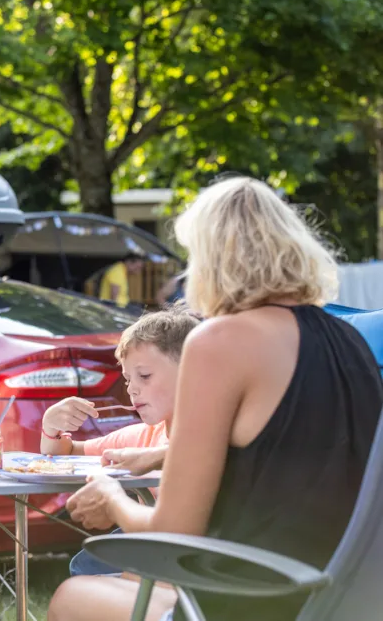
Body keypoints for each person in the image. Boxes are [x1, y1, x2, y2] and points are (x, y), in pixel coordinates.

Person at [50, 176, 383, 621]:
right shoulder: (350, 342)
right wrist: (159, 456)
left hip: (251, 598)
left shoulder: (221, 341)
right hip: (341, 601)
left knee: (72, 596)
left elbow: (174, 530)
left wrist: (110, 496)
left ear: (210, 260)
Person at [41, 304, 200, 577]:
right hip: (155, 551)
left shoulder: (217, 434)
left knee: (88, 573)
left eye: (144, 376)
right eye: (127, 379)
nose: (132, 389)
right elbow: (63, 453)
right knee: (85, 565)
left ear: (191, 372)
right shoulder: (143, 435)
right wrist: (51, 426)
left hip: (192, 559)